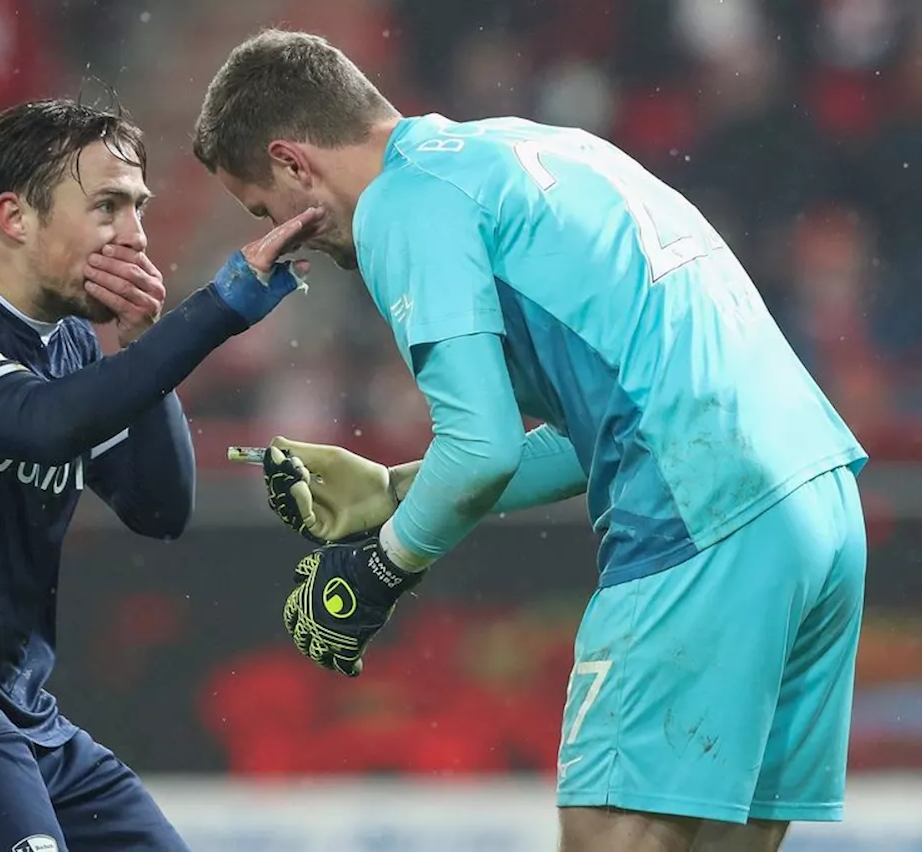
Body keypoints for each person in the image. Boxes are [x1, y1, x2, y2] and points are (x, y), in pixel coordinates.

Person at [195, 29, 868, 852]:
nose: (287, 239)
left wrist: (380, 567)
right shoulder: (528, 147)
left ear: (295, 162)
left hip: (700, 517)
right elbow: (607, 423)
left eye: (268, 210)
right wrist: (396, 489)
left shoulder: (404, 204)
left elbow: (481, 449)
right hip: (816, 502)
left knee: (607, 835)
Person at [0, 97, 323, 852]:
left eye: (138, 207)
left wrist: (144, 341)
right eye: (108, 206)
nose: (136, 235)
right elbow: (45, 426)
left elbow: (160, 506)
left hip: (17, 716)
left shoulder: (73, 346)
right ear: (16, 217)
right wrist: (218, 309)